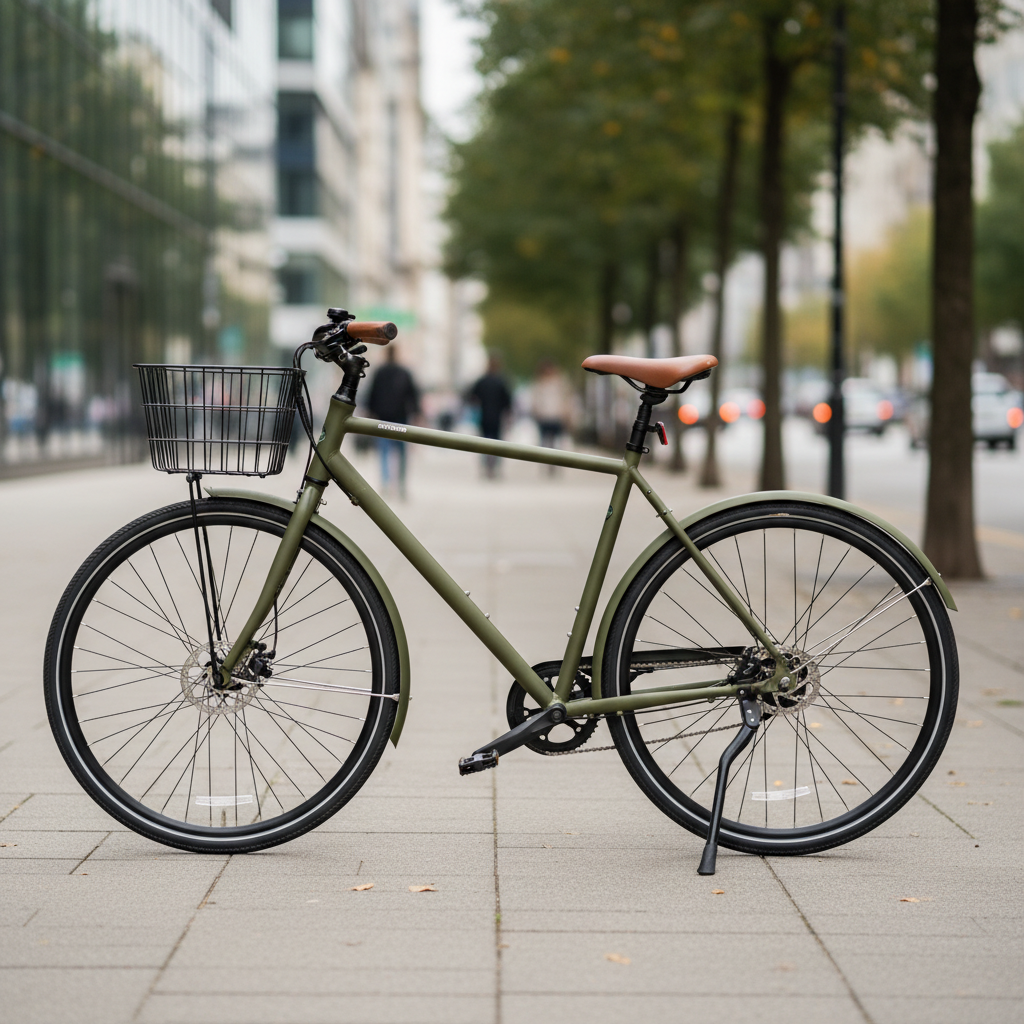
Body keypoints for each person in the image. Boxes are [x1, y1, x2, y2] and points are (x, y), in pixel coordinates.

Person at [366, 346, 420, 498]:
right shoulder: (403, 372)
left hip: (383, 417)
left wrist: (370, 411)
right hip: (400, 417)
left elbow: (372, 394)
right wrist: (416, 413)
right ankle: (401, 485)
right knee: (401, 452)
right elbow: (413, 394)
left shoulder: (380, 372)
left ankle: (385, 484)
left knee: (384, 451)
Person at [466, 353, 512, 478]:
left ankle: (486, 466)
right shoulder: (501, 381)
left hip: (484, 416)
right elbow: (508, 402)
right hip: (496, 417)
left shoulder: (482, 381)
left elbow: (470, 396)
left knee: (484, 443)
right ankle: (495, 467)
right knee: (497, 444)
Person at [530, 360, 572, 472]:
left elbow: (566, 400)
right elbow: (535, 400)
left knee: (556, 441)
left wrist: (566, 414)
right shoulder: (539, 383)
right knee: (545, 441)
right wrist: (536, 412)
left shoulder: (560, 383)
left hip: (557, 416)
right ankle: (547, 461)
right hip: (544, 416)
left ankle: (554, 463)